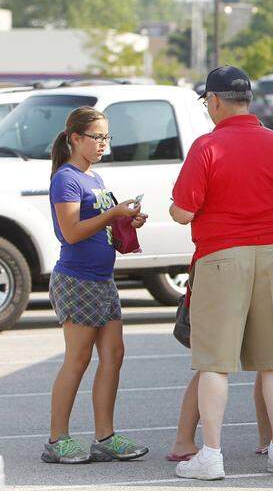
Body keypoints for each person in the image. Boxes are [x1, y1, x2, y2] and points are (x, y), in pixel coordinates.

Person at [168, 66, 273, 481]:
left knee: (214, 363)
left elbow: (184, 210)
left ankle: (212, 454)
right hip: (270, 253)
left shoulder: (207, 145)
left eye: (207, 101)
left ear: (216, 101)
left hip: (222, 256)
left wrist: (174, 210)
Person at [167, 197, 273, 463]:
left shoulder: (262, 158)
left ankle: (271, 440)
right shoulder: (231, 157)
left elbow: (270, 229)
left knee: (258, 358)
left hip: (248, 261)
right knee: (221, 362)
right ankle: (190, 441)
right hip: (232, 264)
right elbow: (182, 211)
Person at [43, 107, 149, 464]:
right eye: (98, 137)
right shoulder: (66, 178)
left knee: (114, 355)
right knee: (77, 359)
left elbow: (104, 230)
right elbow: (72, 232)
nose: (104, 143)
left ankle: (105, 436)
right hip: (76, 280)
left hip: (103, 281)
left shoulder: (95, 179)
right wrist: (111, 214)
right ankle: (58, 440)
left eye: (107, 137)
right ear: (75, 138)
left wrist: (127, 222)